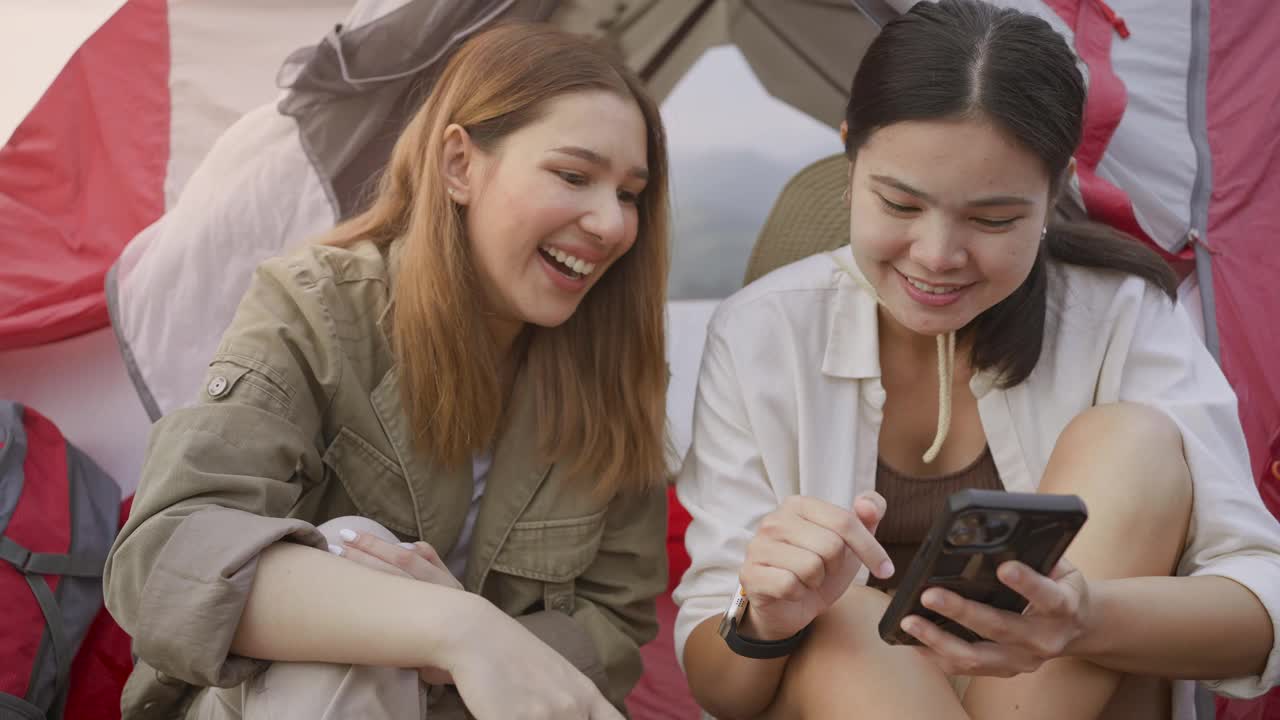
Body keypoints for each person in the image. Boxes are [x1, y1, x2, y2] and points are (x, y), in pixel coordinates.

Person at [673, 2, 1280, 719]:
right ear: (849, 160)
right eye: (899, 204)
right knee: (844, 616)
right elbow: (719, 686)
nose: (936, 256)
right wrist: (765, 619)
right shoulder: (763, 332)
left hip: (1063, 699)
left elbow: (1259, 601)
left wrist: (1083, 619)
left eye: (993, 220)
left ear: (1053, 195)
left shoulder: (1118, 316)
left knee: (1133, 442)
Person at [104, 22, 671, 720]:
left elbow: (613, 624)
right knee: (350, 552)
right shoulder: (316, 305)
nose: (612, 224)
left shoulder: (617, 373)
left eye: (629, 193)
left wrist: (449, 656)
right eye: (575, 176)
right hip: (274, 702)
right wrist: (456, 628)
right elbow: (170, 555)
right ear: (460, 164)